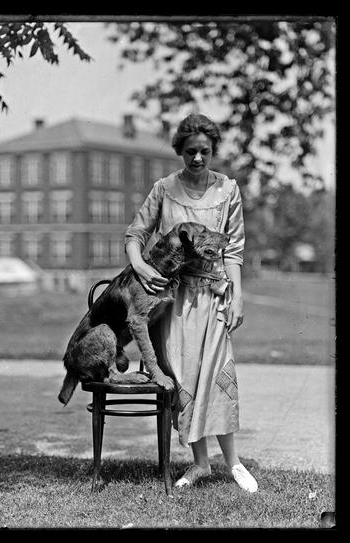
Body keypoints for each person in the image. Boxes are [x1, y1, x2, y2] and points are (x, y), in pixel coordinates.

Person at [124, 113, 258, 493]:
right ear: (179, 152)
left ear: (213, 150)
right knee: (183, 378)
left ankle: (232, 463)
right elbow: (136, 233)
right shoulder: (164, 189)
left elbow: (234, 249)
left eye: (204, 151)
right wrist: (139, 265)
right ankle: (200, 464)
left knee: (217, 377)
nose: (197, 158)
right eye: (189, 152)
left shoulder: (228, 190)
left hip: (214, 296)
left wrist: (237, 297)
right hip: (172, 300)